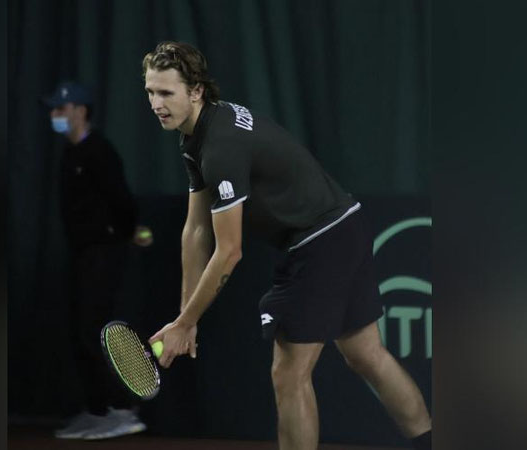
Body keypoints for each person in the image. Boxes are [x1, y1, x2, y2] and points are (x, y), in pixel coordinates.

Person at [142, 42, 432, 450]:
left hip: (319, 243)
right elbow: (196, 230)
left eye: (166, 92)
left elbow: (229, 251)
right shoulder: (198, 135)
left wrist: (187, 322)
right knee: (366, 354)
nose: (156, 104)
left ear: (196, 91)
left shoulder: (221, 146)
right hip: (346, 224)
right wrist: (184, 316)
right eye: (150, 92)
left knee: (289, 373)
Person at [41, 81, 152, 440]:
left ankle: (122, 409)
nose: (55, 115)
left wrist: (125, 232)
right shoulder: (70, 154)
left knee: (95, 331)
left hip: (104, 253)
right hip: (82, 253)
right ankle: (98, 409)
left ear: (80, 111)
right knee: (79, 332)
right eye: (53, 109)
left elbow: (122, 200)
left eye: (61, 109)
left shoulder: (99, 151)